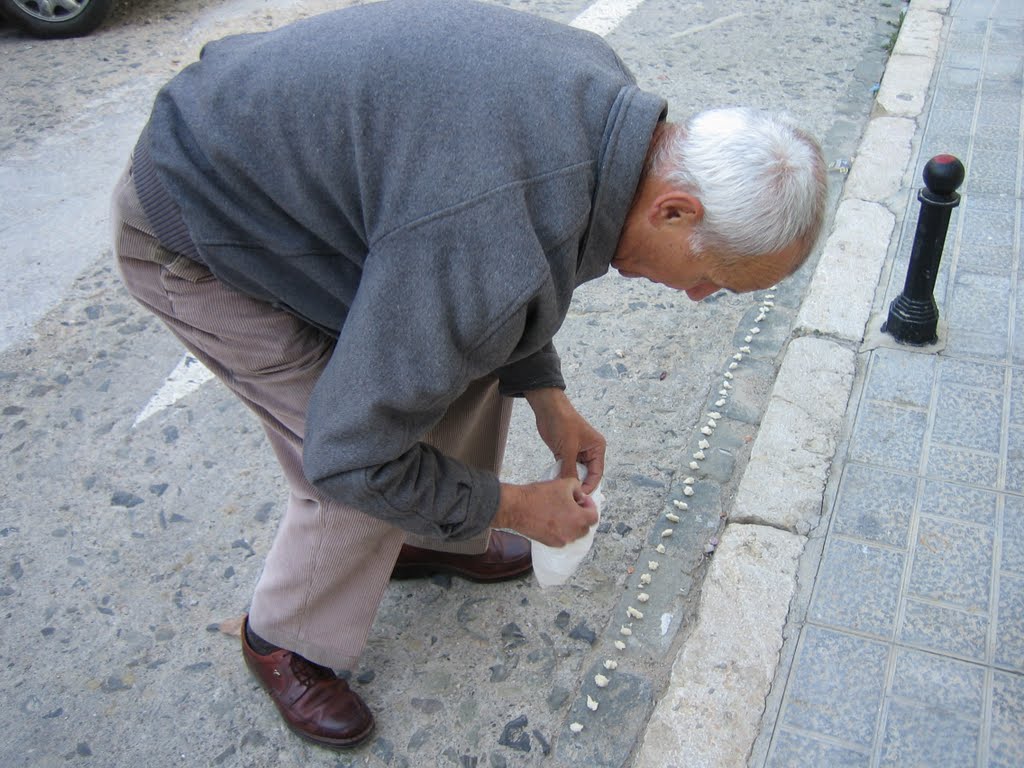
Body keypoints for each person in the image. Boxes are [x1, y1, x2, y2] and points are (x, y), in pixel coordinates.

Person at [110, 0, 827, 750]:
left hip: (290, 173)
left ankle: (437, 535)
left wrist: (545, 390)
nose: (696, 297)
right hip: (196, 223)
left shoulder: (612, 113)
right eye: (713, 277)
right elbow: (354, 448)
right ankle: (284, 638)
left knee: (450, 357)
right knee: (359, 470)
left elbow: (508, 267)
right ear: (676, 210)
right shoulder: (486, 238)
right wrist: (514, 506)